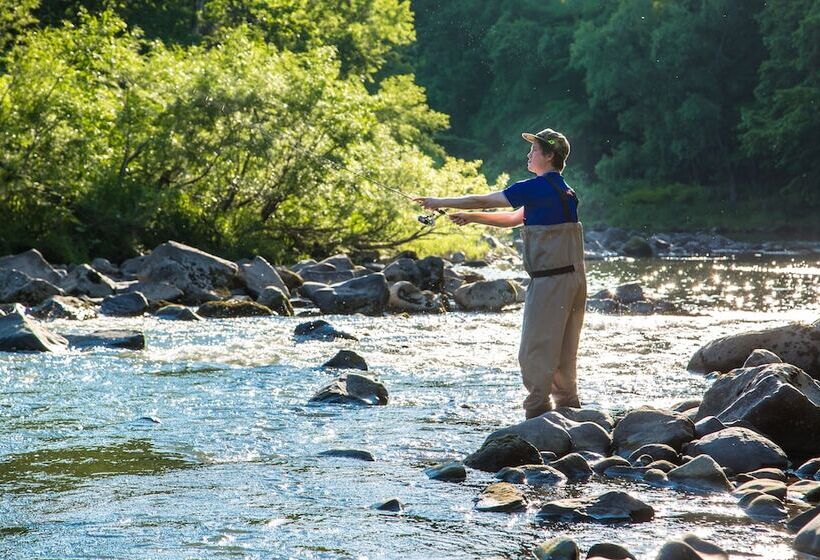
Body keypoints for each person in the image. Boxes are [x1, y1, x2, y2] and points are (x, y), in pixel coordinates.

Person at [415, 128, 586, 419]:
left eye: (534, 150)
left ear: (549, 156)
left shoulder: (534, 187)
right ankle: (569, 411)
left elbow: (482, 199)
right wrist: (472, 218)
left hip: (550, 281)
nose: (528, 154)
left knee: (534, 350)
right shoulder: (564, 191)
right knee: (563, 350)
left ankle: (537, 415)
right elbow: (513, 218)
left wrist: (438, 202)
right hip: (574, 280)